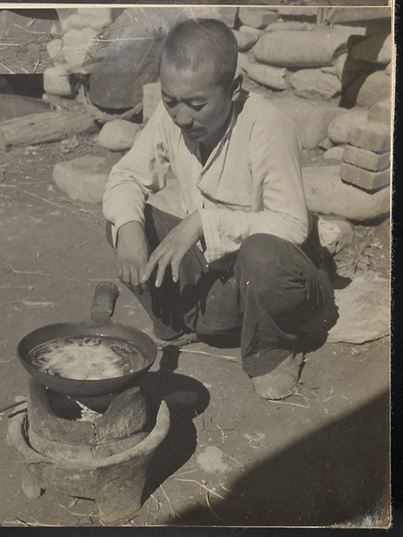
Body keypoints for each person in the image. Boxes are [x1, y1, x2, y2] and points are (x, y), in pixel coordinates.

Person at [102, 18, 334, 400]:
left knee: (260, 253)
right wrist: (128, 228)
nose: (180, 116)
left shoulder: (267, 127)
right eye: (170, 100)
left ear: (234, 88)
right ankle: (178, 323)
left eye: (196, 104)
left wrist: (203, 222)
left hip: (277, 286)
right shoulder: (171, 117)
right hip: (221, 279)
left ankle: (272, 351)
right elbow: (126, 175)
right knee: (125, 215)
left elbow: (292, 225)